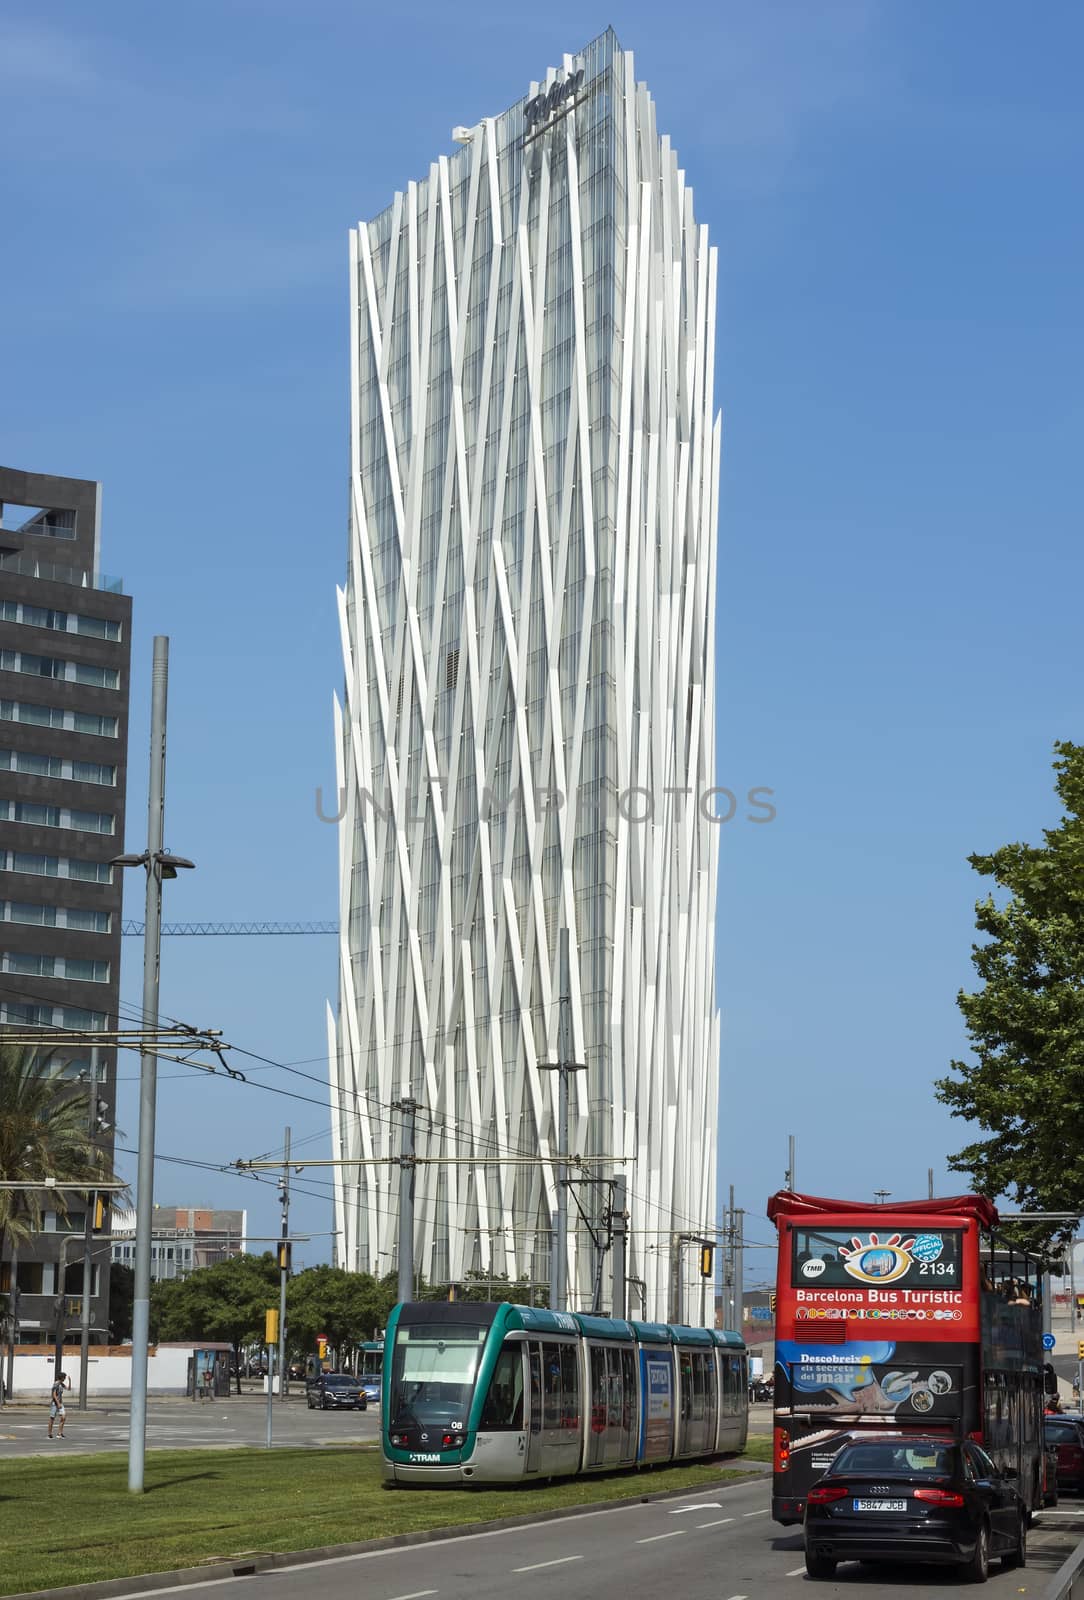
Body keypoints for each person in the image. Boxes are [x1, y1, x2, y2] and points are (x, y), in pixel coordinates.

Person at [47, 1371, 70, 1439]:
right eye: (64, 1377)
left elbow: (68, 1389)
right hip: (55, 1403)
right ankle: (49, 1434)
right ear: (61, 1377)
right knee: (52, 1418)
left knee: (63, 1417)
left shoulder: (61, 1384)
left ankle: (59, 1433)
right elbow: (54, 1395)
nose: (65, 1378)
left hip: (60, 1403)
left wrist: (70, 1381)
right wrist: (58, 1403)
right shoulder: (56, 1384)